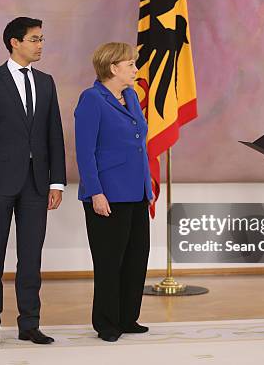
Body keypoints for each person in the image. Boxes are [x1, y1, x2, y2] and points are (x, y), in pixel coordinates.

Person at [0, 17, 66, 347]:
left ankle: (30, 322)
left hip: (37, 184)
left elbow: (54, 133)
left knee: (31, 257)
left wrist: (58, 182)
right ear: (14, 42)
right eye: (34, 39)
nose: (40, 44)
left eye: (42, 39)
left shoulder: (46, 81)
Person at [74, 42, 153, 342]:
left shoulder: (131, 96)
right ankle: (106, 322)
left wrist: (147, 186)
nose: (135, 69)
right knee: (109, 261)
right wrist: (95, 192)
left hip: (136, 192)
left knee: (136, 257)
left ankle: (127, 317)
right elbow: (85, 152)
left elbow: (139, 145)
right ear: (113, 67)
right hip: (107, 194)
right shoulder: (91, 99)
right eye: (130, 64)